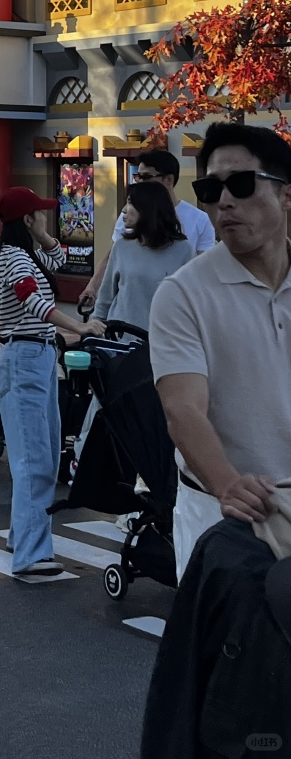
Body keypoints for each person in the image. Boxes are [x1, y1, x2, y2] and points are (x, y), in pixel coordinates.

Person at [149, 121, 291, 580]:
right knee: (233, 649)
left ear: (286, 195)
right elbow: (183, 412)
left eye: (242, 185)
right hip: (226, 515)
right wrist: (228, 485)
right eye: (210, 189)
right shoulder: (183, 294)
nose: (224, 201)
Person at [0, 186, 105, 577]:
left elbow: (58, 257)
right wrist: (80, 326)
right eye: (39, 214)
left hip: (35, 357)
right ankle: (31, 554)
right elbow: (34, 302)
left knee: (40, 452)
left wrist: (42, 235)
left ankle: (20, 535)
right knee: (34, 460)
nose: (46, 217)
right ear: (25, 219)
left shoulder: (20, 254)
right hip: (26, 356)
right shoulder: (14, 260)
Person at [78, 148, 215, 313]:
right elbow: (113, 257)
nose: (140, 182)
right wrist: (92, 286)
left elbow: (203, 271)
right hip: (125, 318)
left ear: (169, 180)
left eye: (146, 177)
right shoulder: (129, 215)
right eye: (138, 177)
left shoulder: (199, 221)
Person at [92, 182, 195, 329]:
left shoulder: (184, 251)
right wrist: (95, 326)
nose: (124, 210)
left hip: (162, 342)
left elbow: (190, 303)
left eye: (130, 203)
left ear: (147, 208)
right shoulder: (121, 247)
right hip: (120, 340)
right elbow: (105, 297)